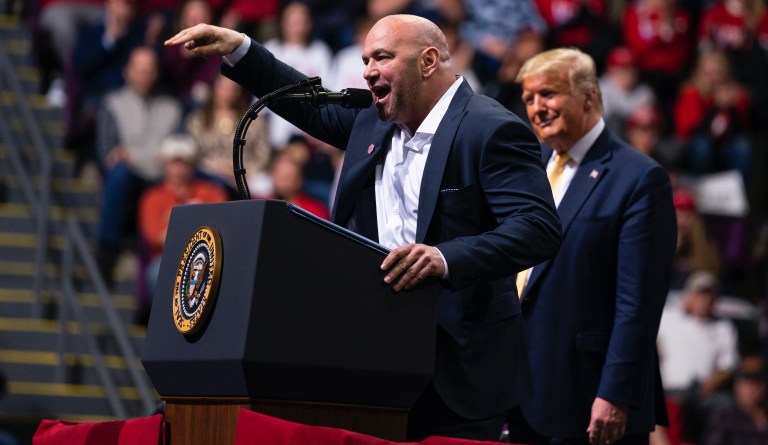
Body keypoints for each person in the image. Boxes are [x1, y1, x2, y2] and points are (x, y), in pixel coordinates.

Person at [165, 13, 562, 441]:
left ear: (428, 61)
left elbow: (537, 227)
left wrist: (445, 258)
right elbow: (302, 99)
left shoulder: (492, 128)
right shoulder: (372, 121)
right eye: (366, 59)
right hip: (372, 360)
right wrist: (239, 47)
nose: (368, 71)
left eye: (383, 57)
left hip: (459, 370)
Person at [509, 48, 677, 445]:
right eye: (529, 99)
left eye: (548, 94)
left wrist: (617, 392)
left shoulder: (639, 178)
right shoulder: (530, 169)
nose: (537, 108)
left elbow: (638, 302)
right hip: (520, 390)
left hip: (590, 398)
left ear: (588, 97)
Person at [95, 46, 183, 286]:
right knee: (118, 174)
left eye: (149, 70)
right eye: (139, 69)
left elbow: (176, 149)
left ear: (156, 73)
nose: (144, 75)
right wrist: (144, 157)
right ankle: (108, 248)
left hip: (161, 175)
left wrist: (137, 155)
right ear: (128, 72)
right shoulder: (112, 103)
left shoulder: (171, 107)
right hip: (130, 174)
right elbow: (108, 152)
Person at [138, 134, 228, 316]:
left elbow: (223, 226)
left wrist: (173, 227)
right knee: (157, 274)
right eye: (173, 162)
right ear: (164, 164)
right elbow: (155, 237)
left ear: (192, 164)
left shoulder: (210, 192)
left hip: (207, 258)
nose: (178, 168)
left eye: (184, 162)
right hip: (168, 259)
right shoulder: (153, 197)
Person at [701, 355, 768, 445]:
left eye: (758, 384)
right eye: (747, 384)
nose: (753, 390)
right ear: (736, 386)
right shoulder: (725, 420)